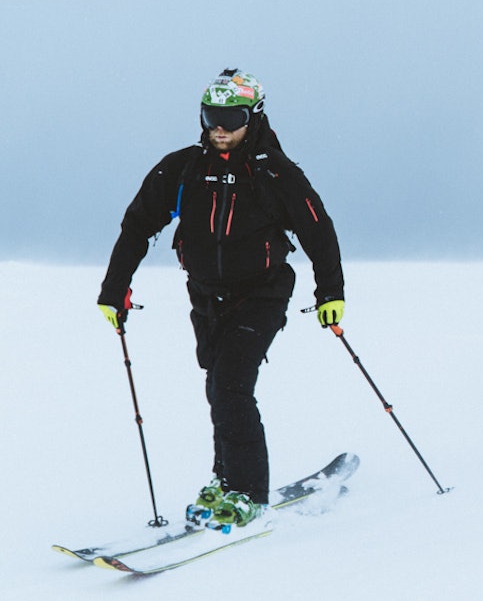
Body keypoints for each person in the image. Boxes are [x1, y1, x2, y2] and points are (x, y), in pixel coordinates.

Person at [98, 69, 345, 527]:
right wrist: (114, 291)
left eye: (230, 117)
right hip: (206, 296)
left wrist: (331, 291)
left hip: (263, 293)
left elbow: (317, 229)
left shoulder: (276, 174)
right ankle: (225, 480)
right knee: (219, 388)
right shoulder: (184, 168)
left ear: (253, 116)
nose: (219, 127)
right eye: (211, 115)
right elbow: (136, 225)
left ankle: (249, 493)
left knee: (231, 386)